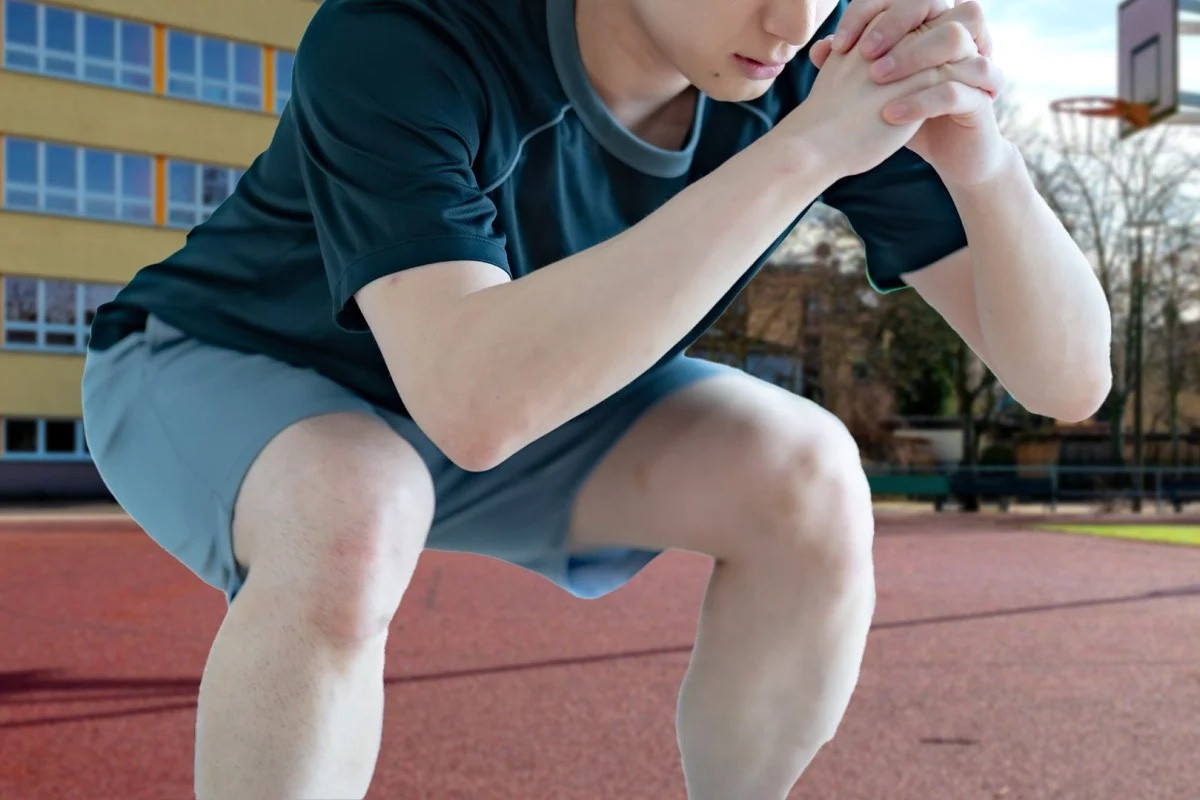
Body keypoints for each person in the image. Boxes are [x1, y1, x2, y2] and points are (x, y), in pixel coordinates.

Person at [80, 0, 1112, 797]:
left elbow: (1067, 380)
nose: (791, 22)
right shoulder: (405, 32)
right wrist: (805, 151)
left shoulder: (808, 60)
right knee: (352, 502)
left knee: (809, 474)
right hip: (228, 359)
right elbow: (474, 403)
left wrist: (984, 165)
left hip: (520, 393)